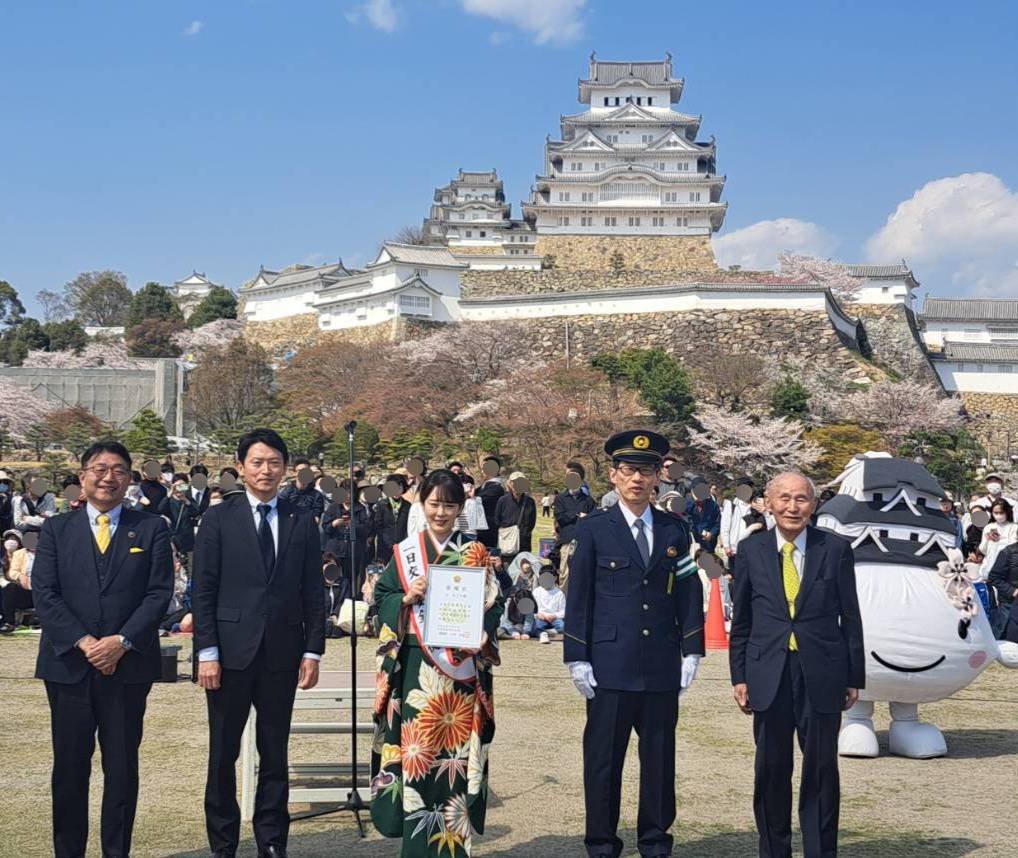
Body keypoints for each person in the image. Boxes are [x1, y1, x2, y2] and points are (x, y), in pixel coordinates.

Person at [564, 430, 705, 858]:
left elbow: (687, 591)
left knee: (660, 762)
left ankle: (656, 841)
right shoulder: (593, 531)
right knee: (604, 761)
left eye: (646, 471)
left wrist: (692, 648)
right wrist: (577, 657)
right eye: (629, 471)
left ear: (658, 478)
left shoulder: (675, 530)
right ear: (613, 475)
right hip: (609, 662)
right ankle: (602, 842)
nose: (638, 479)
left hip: (661, 661)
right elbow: (580, 596)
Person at [31, 440, 174, 858]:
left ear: (129, 479)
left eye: (117, 470)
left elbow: (158, 592)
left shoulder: (150, 528)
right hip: (69, 666)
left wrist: (121, 642)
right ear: (82, 476)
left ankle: (117, 851)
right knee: (70, 768)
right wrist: (86, 642)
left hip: (128, 668)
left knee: (122, 768)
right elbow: (46, 593)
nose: (107, 477)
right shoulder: (57, 529)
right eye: (98, 468)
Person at [193, 428, 326, 858]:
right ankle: (223, 843)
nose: (265, 469)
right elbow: (204, 589)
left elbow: (313, 590)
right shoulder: (218, 517)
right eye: (257, 462)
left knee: (275, 751)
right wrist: (206, 651)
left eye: (273, 462)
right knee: (222, 753)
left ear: (285, 468)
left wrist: (312, 649)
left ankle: (272, 840)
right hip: (228, 654)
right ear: (241, 466)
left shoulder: (300, 518)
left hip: (282, 653)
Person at [729, 471, 865, 858]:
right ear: (768, 504)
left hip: (822, 673)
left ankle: (821, 851)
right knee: (771, 770)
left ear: (814, 504)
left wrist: (854, 676)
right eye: (784, 499)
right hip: (767, 672)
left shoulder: (835, 549)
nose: (793, 507)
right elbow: (742, 623)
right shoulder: (751, 550)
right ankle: (774, 850)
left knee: (822, 770)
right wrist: (739, 675)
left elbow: (850, 617)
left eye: (802, 499)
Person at [370, 469, 503, 857]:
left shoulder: (476, 553)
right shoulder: (405, 553)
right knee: (418, 755)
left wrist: (484, 633)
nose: (441, 512)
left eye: (449, 504)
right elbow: (383, 602)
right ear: (421, 504)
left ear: (460, 508)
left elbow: (493, 607)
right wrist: (407, 597)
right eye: (434, 503)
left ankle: (453, 847)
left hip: (460, 674)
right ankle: (416, 848)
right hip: (415, 669)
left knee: (455, 761)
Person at [493, 471, 537, 565]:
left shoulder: (530, 502)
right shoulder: (503, 500)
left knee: (523, 573)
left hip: (524, 544)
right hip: (507, 544)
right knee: (506, 572)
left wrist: (523, 532)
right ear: (510, 483)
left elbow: (532, 523)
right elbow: (497, 520)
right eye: (515, 482)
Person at [554, 462, 597, 547]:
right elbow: (560, 518)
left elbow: (594, 521)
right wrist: (577, 515)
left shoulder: (588, 500)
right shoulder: (560, 498)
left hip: (584, 544)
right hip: (566, 542)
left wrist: (587, 517)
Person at [372, 473, 412, 564]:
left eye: (399, 488)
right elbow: (378, 527)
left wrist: (402, 543)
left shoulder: (408, 506)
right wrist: (389, 543)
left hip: (402, 547)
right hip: (384, 546)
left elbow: (408, 527)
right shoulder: (382, 505)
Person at [157, 476, 200, 558]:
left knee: (188, 564)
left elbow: (196, 512)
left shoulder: (189, 500)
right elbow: (160, 509)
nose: (179, 488)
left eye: (182, 485)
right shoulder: (169, 500)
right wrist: (170, 494)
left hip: (187, 539)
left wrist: (186, 501)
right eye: (177, 486)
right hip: (173, 538)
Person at [0, 529, 33, 633]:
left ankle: (9, 623)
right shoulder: (2, 558)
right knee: (7, 588)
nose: (11, 541)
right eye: (9, 538)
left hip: (26, 591)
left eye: (14, 539)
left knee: (10, 588)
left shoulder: (27, 555)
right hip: (6, 590)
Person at [978, 499, 1017, 580]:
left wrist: (1000, 541)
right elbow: (983, 550)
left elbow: (1014, 550)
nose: (998, 515)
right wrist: (987, 539)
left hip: (1007, 569)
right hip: (990, 565)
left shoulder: (1014, 527)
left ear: (1007, 512)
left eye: (1001, 513)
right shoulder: (988, 527)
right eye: (996, 513)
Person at [476, 455, 505, 548]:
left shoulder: (497, 487)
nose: (482, 471)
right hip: (480, 529)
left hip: (489, 531)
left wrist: (470, 495)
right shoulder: (485, 485)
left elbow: (479, 499)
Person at [685, 477, 721, 553]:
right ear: (692, 490)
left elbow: (718, 523)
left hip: (708, 545)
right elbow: (687, 522)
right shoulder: (686, 505)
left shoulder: (713, 505)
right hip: (691, 545)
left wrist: (711, 533)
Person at [532, 569, 566, 643]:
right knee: (536, 627)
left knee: (563, 627)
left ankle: (549, 632)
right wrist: (538, 615)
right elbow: (533, 609)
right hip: (541, 617)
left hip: (555, 618)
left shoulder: (559, 593)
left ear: (554, 578)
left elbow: (563, 611)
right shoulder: (536, 591)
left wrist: (555, 616)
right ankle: (544, 634)